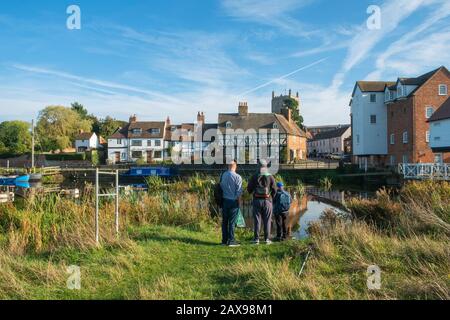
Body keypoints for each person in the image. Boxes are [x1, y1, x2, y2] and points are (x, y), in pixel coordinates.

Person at [247, 161, 277, 245]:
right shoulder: (270, 176)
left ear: (258, 166)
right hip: (267, 201)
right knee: (267, 220)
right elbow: (275, 189)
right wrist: (271, 198)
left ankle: (256, 239)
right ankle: (267, 239)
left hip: (256, 201)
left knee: (257, 220)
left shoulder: (254, 176)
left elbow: (249, 189)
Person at [219, 160, 243, 247]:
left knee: (224, 221)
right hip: (233, 202)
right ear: (235, 166)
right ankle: (231, 240)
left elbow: (220, 187)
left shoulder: (223, 175)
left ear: (228, 166)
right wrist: (239, 204)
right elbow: (239, 192)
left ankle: (224, 241)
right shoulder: (238, 177)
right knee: (232, 222)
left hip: (224, 200)